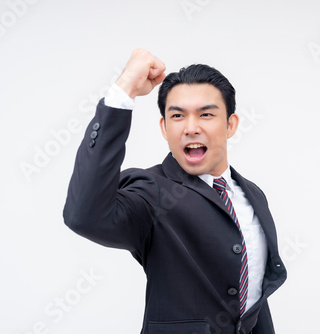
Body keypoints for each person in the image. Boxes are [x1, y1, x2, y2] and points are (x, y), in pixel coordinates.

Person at [63, 49, 287, 334]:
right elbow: (84, 215)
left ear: (230, 125)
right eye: (178, 116)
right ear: (164, 127)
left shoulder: (253, 195)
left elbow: (253, 299)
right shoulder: (152, 191)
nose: (191, 128)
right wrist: (125, 90)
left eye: (206, 114)